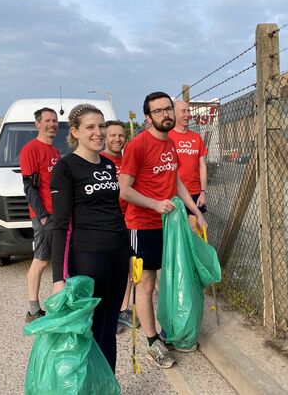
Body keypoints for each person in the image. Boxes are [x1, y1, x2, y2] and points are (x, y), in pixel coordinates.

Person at [119, 91, 208, 369]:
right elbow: (125, 190)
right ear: (148, 117)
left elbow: (176, 182)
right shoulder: (137, 146)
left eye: (168, 109)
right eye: (158, 111)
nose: (165, 114)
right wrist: (155, 204)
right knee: (145, 285)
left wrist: (195, 211)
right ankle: (151, 342)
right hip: (142, 226)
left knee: (168, 279)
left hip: (170, 225)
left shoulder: (171, 144)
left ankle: (170, 330)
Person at [50, 104, 130, 372]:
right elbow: (59, 225)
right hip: (87, 257)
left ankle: (107, 384)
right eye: (91, 127)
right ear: (75, 131)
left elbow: (114, 211)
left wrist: (128, 252)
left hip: (117, 255)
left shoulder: (108, 164)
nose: (99, 132)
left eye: (101, 126)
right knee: (90, 328)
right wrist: (58, 279)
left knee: (110, 325)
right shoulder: (66, 167)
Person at [20, 107, 61, 323]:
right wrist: (43, 217)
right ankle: (33, 310)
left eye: (55, 120)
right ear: (38, 124)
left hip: (57, 214)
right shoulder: (31, 149)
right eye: (47, 120)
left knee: (55, 262)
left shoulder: (54, 151)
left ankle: (53, 306)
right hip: (44, 216)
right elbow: (29, 187)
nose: (52, 124)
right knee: (41, 261)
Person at [99, 120, 137, 332]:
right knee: (108, 270)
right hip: (107, 223)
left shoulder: (127, 161)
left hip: (128, 220)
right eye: (112, 135)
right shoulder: (99, 161)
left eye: (121, 135)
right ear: (105, 137)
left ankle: (122, 310)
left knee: (127, 267)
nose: (117, 139)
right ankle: (107, 312)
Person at [168, 100, 208, 233]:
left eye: (189, 111)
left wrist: (203, 192)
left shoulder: (196, 138)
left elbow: (202, 165)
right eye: (183, 111)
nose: (188, 115)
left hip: (195, 193)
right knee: (178, 235)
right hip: (174, 195)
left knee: (196, 233)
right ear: (173, 113)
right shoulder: (167, 137)